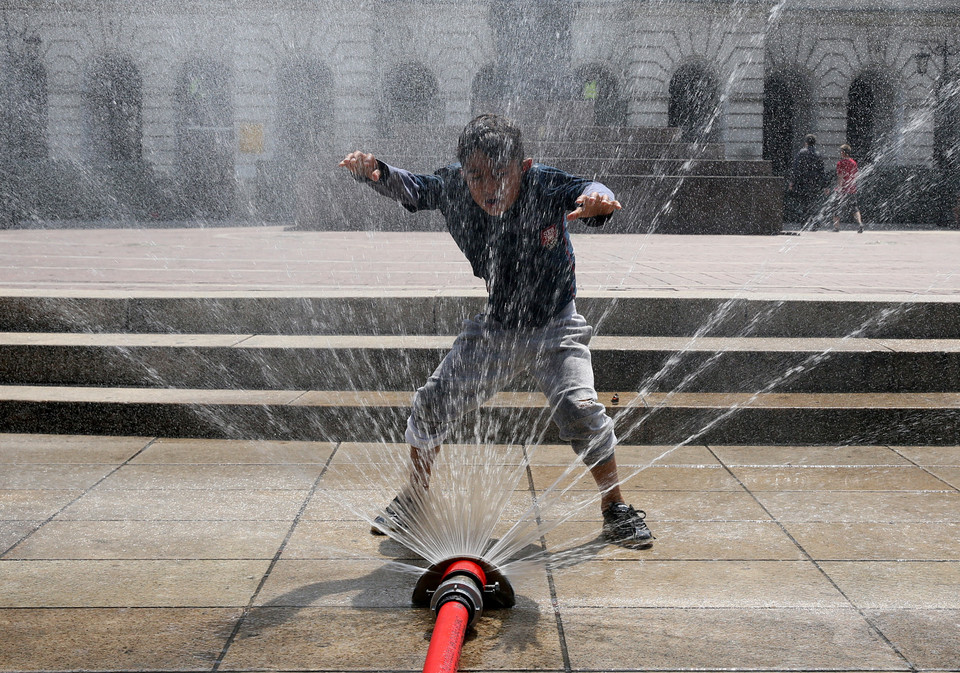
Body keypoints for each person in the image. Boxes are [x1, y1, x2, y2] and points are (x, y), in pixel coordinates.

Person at [338, 113, 653, 547]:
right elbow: (414, 187)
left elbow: (590, 189)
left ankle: (615, 507)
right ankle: (413, 500)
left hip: (556, 325)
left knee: (578, 407)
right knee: (432, 401)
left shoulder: (543, 184)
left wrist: (599, 200)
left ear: (522, 169)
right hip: (499, 326)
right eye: (476, 176)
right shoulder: (454, 187)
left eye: (500, 175)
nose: (488, 188)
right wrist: (375, 172)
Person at [788, 134, 827, 229]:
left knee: (804, 203)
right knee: (813, 203)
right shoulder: (818, 154)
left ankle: (804, 223)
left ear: (806, 143)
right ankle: (813, 223)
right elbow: (822, 171)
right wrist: (825, 185)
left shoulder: (801, 153)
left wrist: (792, 182)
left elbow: (796, 169)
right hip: (814, 183)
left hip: (803, 182)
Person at [832, 143, 863, 233]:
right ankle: (860, 223)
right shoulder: (853, 163)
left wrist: (839, 188)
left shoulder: (840, 163)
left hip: (843, 189)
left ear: (842, 152)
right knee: (854, 208)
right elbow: (855, 175)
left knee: (836, 208)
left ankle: (836, 227)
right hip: (852, 189)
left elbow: (840, 176)